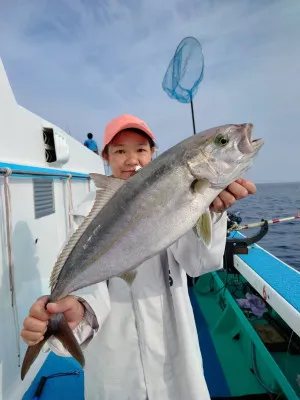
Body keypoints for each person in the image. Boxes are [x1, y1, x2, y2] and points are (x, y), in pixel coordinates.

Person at [21, 114, 256, 400]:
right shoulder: (86, 219)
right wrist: (73, 312)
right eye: (120, 151)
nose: (132, 159)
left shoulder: (174, 197)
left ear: (153, 153)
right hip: (117, 376)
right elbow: (92, 290)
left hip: (175, 369)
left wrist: (214, 212)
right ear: (106, 156)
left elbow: (199, 264)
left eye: (141, 149)